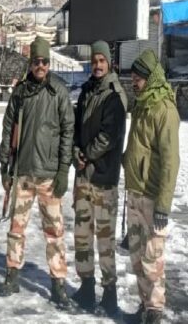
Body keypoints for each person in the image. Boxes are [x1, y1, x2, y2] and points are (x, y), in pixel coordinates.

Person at [0, 36, 74, 310]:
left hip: (50, 176)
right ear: (30, 63)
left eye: (43, 61)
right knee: (16, 229)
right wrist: (5, 166)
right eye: (35, 61)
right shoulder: (20, 93)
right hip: (22, 174)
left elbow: (68, 133)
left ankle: (58, 283)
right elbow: (8, 129)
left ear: (49, 63)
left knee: (54, 232)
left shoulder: (59, 92)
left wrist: (64, 170)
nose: (39, 66)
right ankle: (12, 274)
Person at [121, 49, 180, 324]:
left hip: (153, 197)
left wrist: (164, 206)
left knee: (152, 260)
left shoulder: (164, 109)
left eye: (138, 78)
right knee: (137, 257)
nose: (134, 82)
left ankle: (155, 311)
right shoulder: (142, 104)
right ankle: (146, 307)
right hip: (135, 193)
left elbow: (171, 161)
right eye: (132, 78)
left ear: (150, 77)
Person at [71, 41, 127, 315]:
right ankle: (86, 287)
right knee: (82, 236)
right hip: (83, 178)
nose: (97, 65)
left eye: (102, 60)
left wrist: (88, 155)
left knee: (104, 241)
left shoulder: (114, 96)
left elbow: (109, 135)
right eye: (94, 60)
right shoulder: (85, 92)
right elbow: (75, 129)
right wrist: (75, 153)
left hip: (104, 178)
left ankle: (109, 294)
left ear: (110, 63)